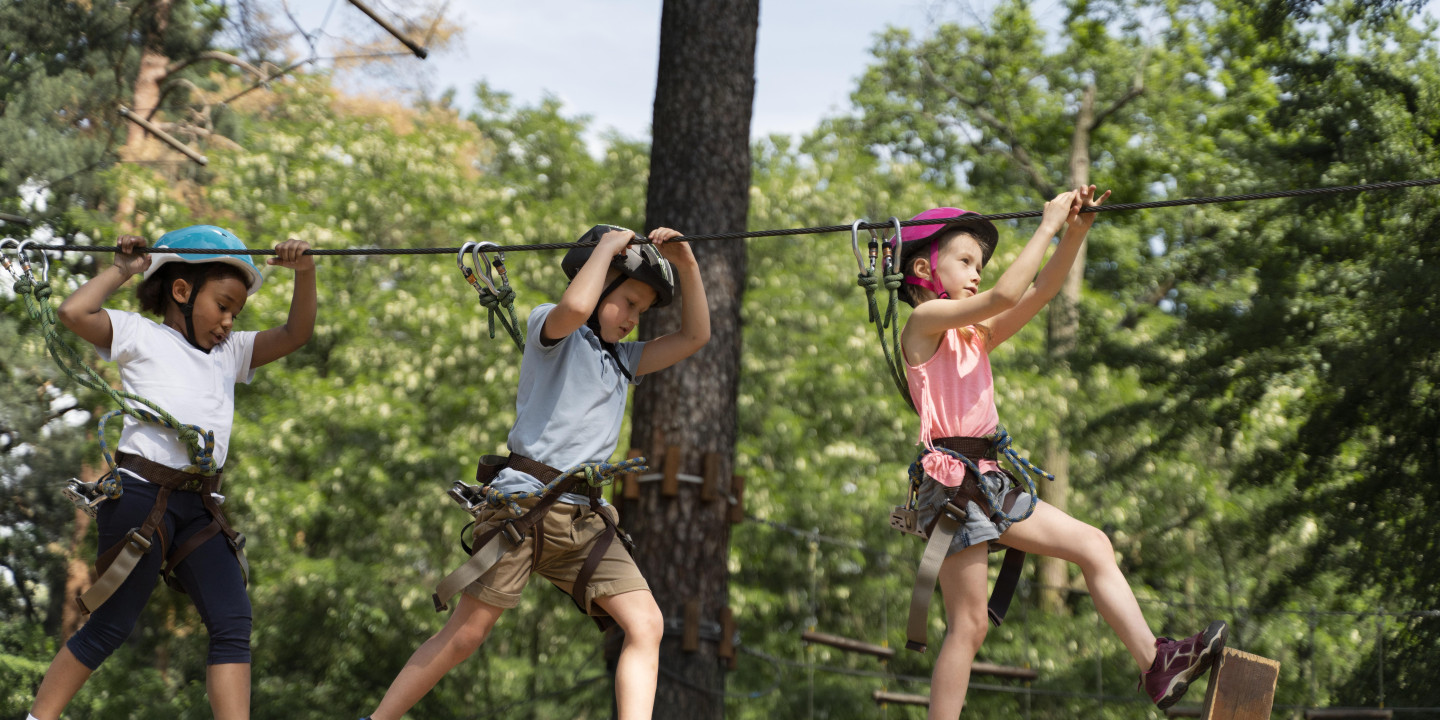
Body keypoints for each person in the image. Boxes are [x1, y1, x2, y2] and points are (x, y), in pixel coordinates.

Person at [895, 189, 1227, 717]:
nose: (977, 272)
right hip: (954, 485)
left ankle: (1156, 665)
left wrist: (1076, 231)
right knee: (971, 625)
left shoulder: (973, 338)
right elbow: (1007, 294)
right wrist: (1047, 223)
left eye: (980, 264)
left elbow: (1039, 291)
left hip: (988, 479)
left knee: (1094, 545)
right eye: (965, 261)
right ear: (922, 268)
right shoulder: (925, 322)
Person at [363, 225, 709, 720]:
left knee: (646, 624)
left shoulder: (625, 360)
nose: (634, 319)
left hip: (584, 519)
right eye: (628, 302)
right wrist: (611, 247)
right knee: (467, 634)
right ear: (601, 283)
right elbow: (573, 309)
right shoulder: (551, 327)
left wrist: (689, 265)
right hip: (523, 508)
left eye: (641, 310)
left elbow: (696, 336)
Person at [28, 225, 317, 720]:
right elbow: (73, 312)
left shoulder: (231, 355)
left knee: (233, 622)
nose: (228, 322)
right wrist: (125, 269)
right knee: (111, 624)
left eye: (236, 313)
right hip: (140, 497)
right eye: (222, 305)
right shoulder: (141, 336)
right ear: (181, 291)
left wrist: (305, 272)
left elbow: (297, 333)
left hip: (200, 507)